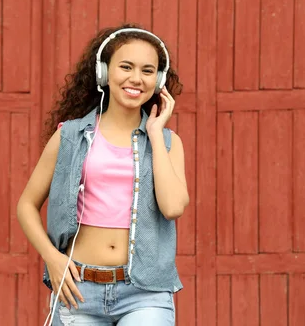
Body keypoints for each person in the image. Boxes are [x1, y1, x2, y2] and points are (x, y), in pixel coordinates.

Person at [17, 24, 189, 325]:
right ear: (103, 72)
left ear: (159, 80)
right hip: (79, 289)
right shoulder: (70, 136)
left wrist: (155, 132)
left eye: (148, 71)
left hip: (145, 293)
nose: (136, 78)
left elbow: (173, 207)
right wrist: (52, 258)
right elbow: (26, 205)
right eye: (126, 67)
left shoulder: (168, 142)